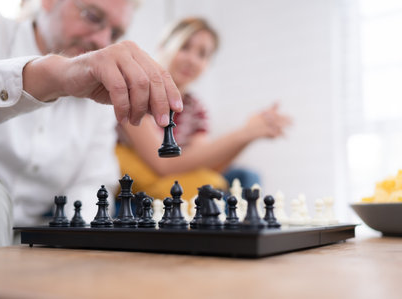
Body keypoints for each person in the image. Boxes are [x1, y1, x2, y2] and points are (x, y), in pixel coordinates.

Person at [0, 0, 183, 249]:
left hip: (34, 240)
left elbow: (91, 181)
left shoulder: (100, 98)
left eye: (115, 33)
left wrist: (80, 244)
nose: (102, 40)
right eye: (92, 16)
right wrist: (56, 76)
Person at [116, 17, 291, 205]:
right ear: (162, 46)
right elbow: (163, 164)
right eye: (184, 47)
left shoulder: (195, 109)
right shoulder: (136, 92)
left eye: (202, 54)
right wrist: (244, 133)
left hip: (176, 183)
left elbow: (208, 164)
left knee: (246, 178)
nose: (192, 60)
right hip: (140, 193)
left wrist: (250, 135)